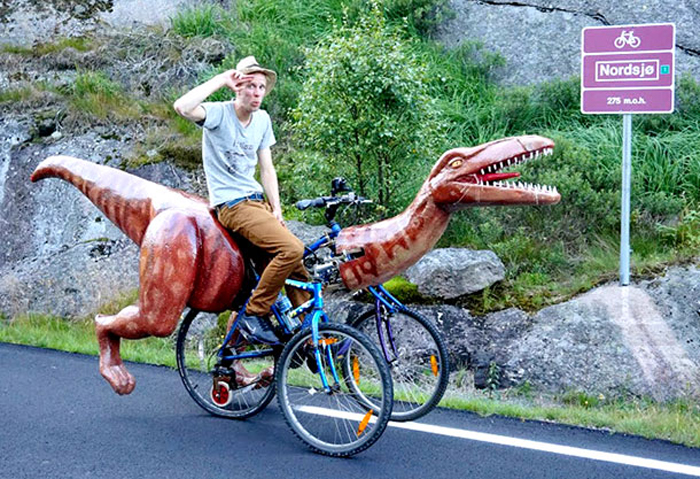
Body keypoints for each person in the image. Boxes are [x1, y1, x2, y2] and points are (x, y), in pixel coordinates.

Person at [173, 56, 308, 344]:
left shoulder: (263, 120)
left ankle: (314, 340)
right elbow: (182, 107)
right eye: (250, 86)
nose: (257, 93)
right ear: (238, 88)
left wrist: (277, 209)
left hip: (257, 204)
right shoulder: (219, 114)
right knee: (291, 249)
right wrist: (221, 79)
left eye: (261, 87)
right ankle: (255, 314)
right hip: (232, 205)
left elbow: (267, 169)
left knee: (297, 268)